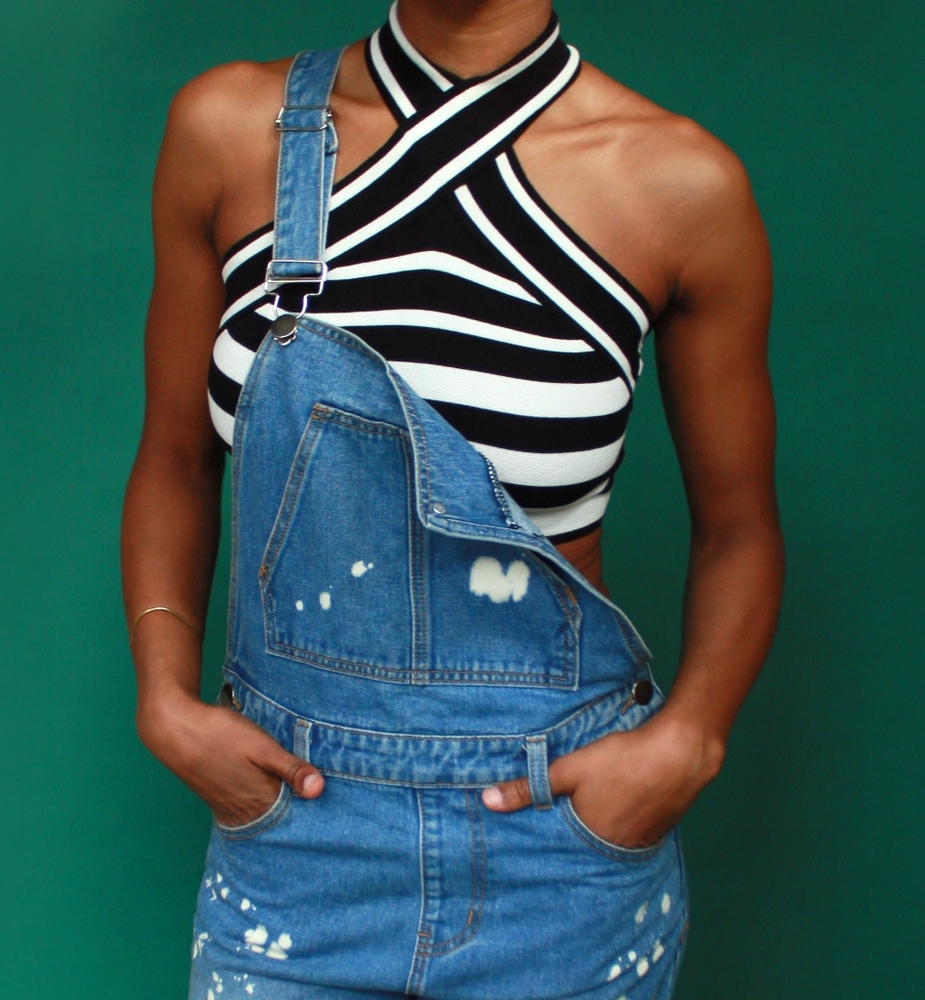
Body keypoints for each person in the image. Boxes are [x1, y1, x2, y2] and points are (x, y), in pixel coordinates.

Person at [121, 1, 784, 997]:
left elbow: (737, 527)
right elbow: (175, 456)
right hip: (295, 831)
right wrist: (165, 699)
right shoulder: (229, 129)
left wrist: (689, 735)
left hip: (558, 841)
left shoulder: (678, 183)